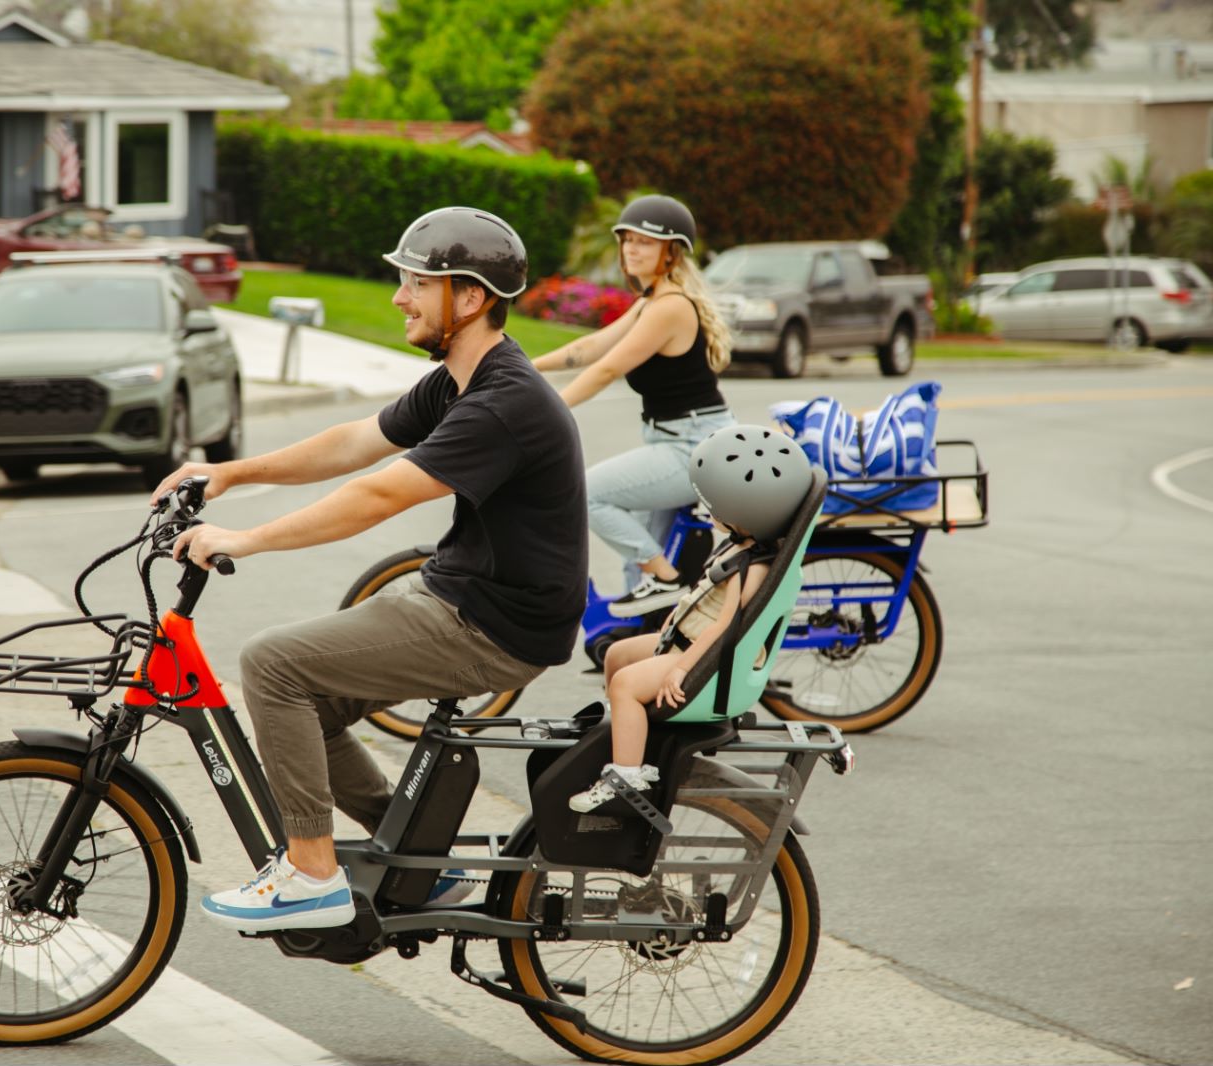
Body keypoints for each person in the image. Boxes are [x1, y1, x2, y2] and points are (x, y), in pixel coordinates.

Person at [152, 207, 590, 932]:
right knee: (303, 703)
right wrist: (231, 471)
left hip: (493, 623)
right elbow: (356, 443)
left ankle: (312, 874)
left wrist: (249, 539)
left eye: (416, 282)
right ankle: (423, 855)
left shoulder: (504, 401)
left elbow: (379, 494)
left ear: (471, 297)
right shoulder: (459, 379)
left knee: (273, 665)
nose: (399, 297)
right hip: (461, 593)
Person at [568, 425, 813, 813]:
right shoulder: (742, 544)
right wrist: (673, 623)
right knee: (617, 655)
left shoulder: (753, 568)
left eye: (715, 507)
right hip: (691, 644)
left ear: (744, 514)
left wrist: (680, 669)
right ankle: (627, 735)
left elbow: (724, 628)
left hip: (709, 663)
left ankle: (627, 777)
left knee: (627, 685)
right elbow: (705, 600)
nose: (710, 512)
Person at [532, 194, 737, 615]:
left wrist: (547, 410)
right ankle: (633, 633)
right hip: (676, 442)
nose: (631, 249)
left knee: (588, 494)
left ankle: (668, 581)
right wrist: (521, 368)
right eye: (627, 240)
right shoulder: (651, 302)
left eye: (645, 242)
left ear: (671, 252)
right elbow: (590, 348)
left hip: (693, 449)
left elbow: (606, 370)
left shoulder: (671, 308)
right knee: (637, 557)